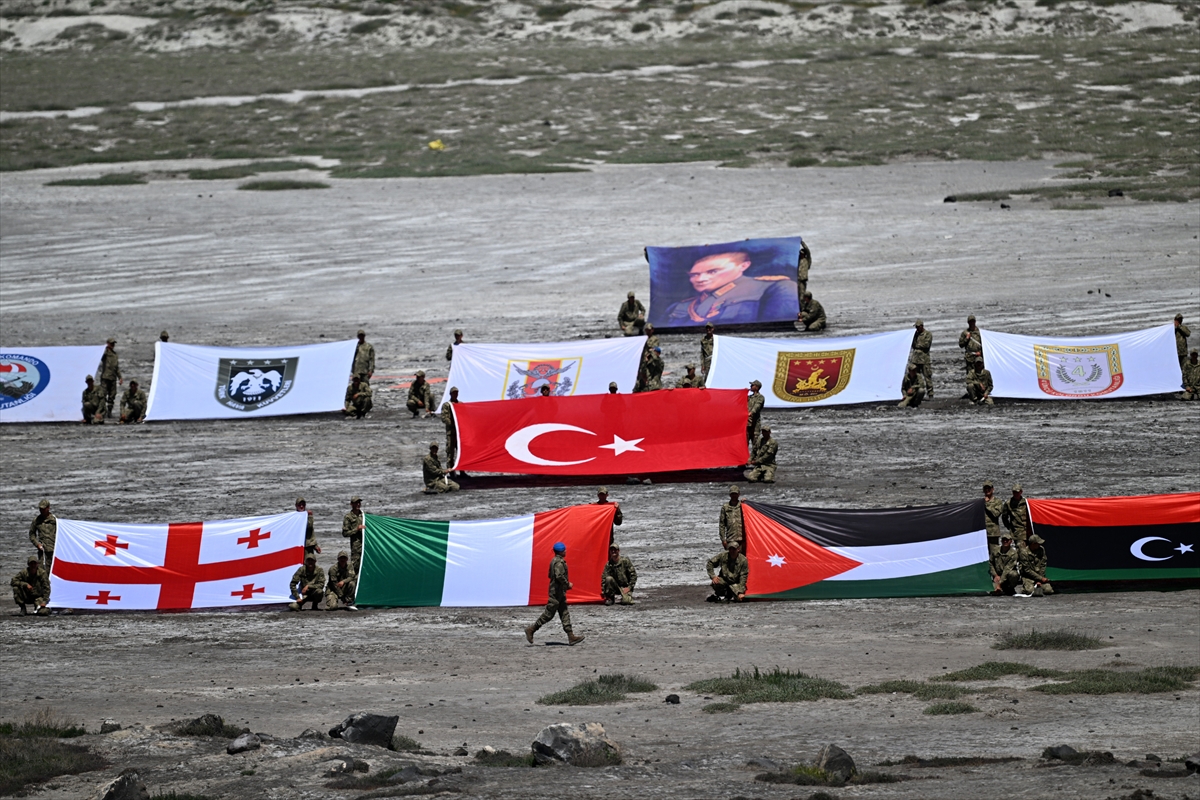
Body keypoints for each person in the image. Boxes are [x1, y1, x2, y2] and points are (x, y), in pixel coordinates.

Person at [663, 251, 797, 325]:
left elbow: (780, 329)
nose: (700, 279)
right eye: (694, 274)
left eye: (712, 271)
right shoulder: (680, 306)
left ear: (743, 266)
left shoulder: (776, 288)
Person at [525, 542, 585, 645]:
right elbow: (559, 576)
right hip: (556, 593)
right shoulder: (559, 563)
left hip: (559, 592)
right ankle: (532, 629)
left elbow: (550, 575)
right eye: (564, 550)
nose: (566, 551)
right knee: (548, 614)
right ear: (561, 551)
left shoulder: (553, 561)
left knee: (564, 613)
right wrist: (567, 584)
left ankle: (571, 636)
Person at [96, 337, 122, 418]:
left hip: (113, 378)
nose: (113, 345)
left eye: (113, 344)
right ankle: (102, 411)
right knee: (103, 395)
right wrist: (105, 347)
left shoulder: (115, 355)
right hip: (105, 377)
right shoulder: (105, 353)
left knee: (112, 395)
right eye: (111, 343)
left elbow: (116, 367)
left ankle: (109, 412)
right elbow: (99, 356)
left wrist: (120, 377)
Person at [441, 386, 463, 472]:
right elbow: (444, 418)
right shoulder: (447, 405)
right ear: (450, 394)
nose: (455, 394)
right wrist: (454, 424)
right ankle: (451, 470)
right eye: (454, 393)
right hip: (451, 432)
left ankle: (462, 470)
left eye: (456, 393)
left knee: (460, 452)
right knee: (450, 452)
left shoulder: (460, 404)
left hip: (459, 433)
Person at [29, 499, 57, 567]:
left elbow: (62, 533)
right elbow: (31, 534)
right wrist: (37, 544)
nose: (42, 511)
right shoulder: (37, 520)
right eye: (40, 509)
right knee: (42, 572)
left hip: (54, 551)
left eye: (43, 509)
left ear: (48, 508)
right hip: (43, 552)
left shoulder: (55, 520)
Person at [911, 320, 933, 398]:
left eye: (918, 327)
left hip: (924, 360)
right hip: (916, 359)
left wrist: (917, 345)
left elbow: (926, 345)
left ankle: (930, 394)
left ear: (921, 326)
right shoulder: (915, 335)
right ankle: (916, 393)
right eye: (916, 327)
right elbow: (913, 345)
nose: (917, 328)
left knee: (927, 377)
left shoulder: (928, 334)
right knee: (916, 377)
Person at [342, 496, 365, 568]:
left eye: (359, 502)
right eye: (356, 503)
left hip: (366, 545)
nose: (358, 504)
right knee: (355, 567)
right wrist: (356, 529)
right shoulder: (348, 517)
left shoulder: (364, 515)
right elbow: (345, 533)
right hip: (356, 548)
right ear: (351, 504)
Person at [982, 481, 1004, 551]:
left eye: (989, 488)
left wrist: (987, 504)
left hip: (993, 533)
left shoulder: (998, 502)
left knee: (994, 553)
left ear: (992, 489)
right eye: (985, 488)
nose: (987, 490)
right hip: (983, 532)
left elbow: (996, 514)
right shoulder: (980, 502)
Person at [746, 380, 764, 448]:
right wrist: (743, 393)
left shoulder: (760, 397)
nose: (750, 387)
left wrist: (751, 413)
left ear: (756, 387)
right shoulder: (749, 397)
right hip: (747, 424)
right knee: (745, 443)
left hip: (755, 424)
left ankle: (755, 458)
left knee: (755, 443)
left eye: (752, 385)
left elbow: (757, 406)